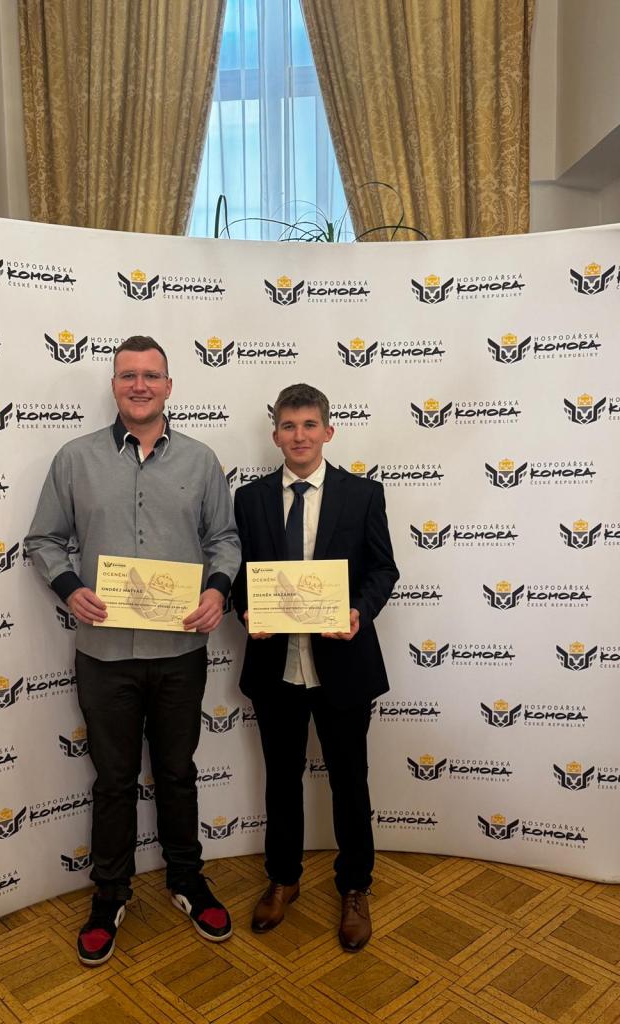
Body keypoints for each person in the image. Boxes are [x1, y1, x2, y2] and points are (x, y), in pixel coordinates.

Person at [25, 336, 241, 965]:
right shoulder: (75, 459)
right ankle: (110, 893)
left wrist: (218, 590)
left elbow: (225, 539)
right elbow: (43, 539)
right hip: (104, 654)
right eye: (128, 376)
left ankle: (186, 879)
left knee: (177, 772)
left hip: (179, 652)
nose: (140, 386)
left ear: (169, 386)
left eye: (151, 375)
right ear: (114, 385)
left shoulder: (201, 460)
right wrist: (69, 587)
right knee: (115, 780)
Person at [232, 383, 398, 952]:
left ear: (328, 431)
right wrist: (245, 610)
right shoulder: (249, 499)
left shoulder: (363, 494)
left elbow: (383, 569)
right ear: (274, 434)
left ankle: (354, 887)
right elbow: (237, 574)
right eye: (288, 425)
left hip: (343, 665)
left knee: (351, 782)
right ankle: (283, 879)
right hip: (276, 666)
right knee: (281, 780)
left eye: (309, 425)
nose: (298, 436)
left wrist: (359, 611)